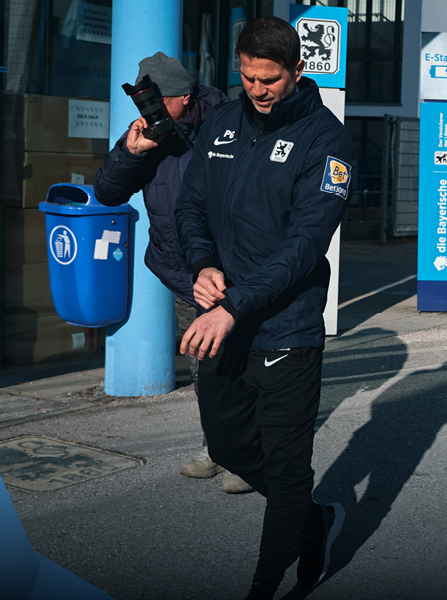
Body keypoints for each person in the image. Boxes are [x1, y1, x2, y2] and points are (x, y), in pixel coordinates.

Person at [174, 16, 354, 600]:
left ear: (296, 72)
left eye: (270, 78)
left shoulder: (327, 141)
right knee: (227, 448)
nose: (257, 89)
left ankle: (265, 584)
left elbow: (303, 247)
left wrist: (235, 304)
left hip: (286, 329)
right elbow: (190, 207)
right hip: (224, 323)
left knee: (285, 467)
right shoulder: (223, 121)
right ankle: (312, 520)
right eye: (248, 76)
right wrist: (203, 265)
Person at [93, 52, 250, 494]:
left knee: (243, 363)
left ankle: (248, 456)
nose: (149, 111)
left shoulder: (227, 122)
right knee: (205, 368)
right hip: (181, 275)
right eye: (143, 102)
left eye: (158, 102)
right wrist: (130, 151)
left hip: (229, 273)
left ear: (184, 96)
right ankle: (218, 449)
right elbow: (105, 192)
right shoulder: (147, 134)